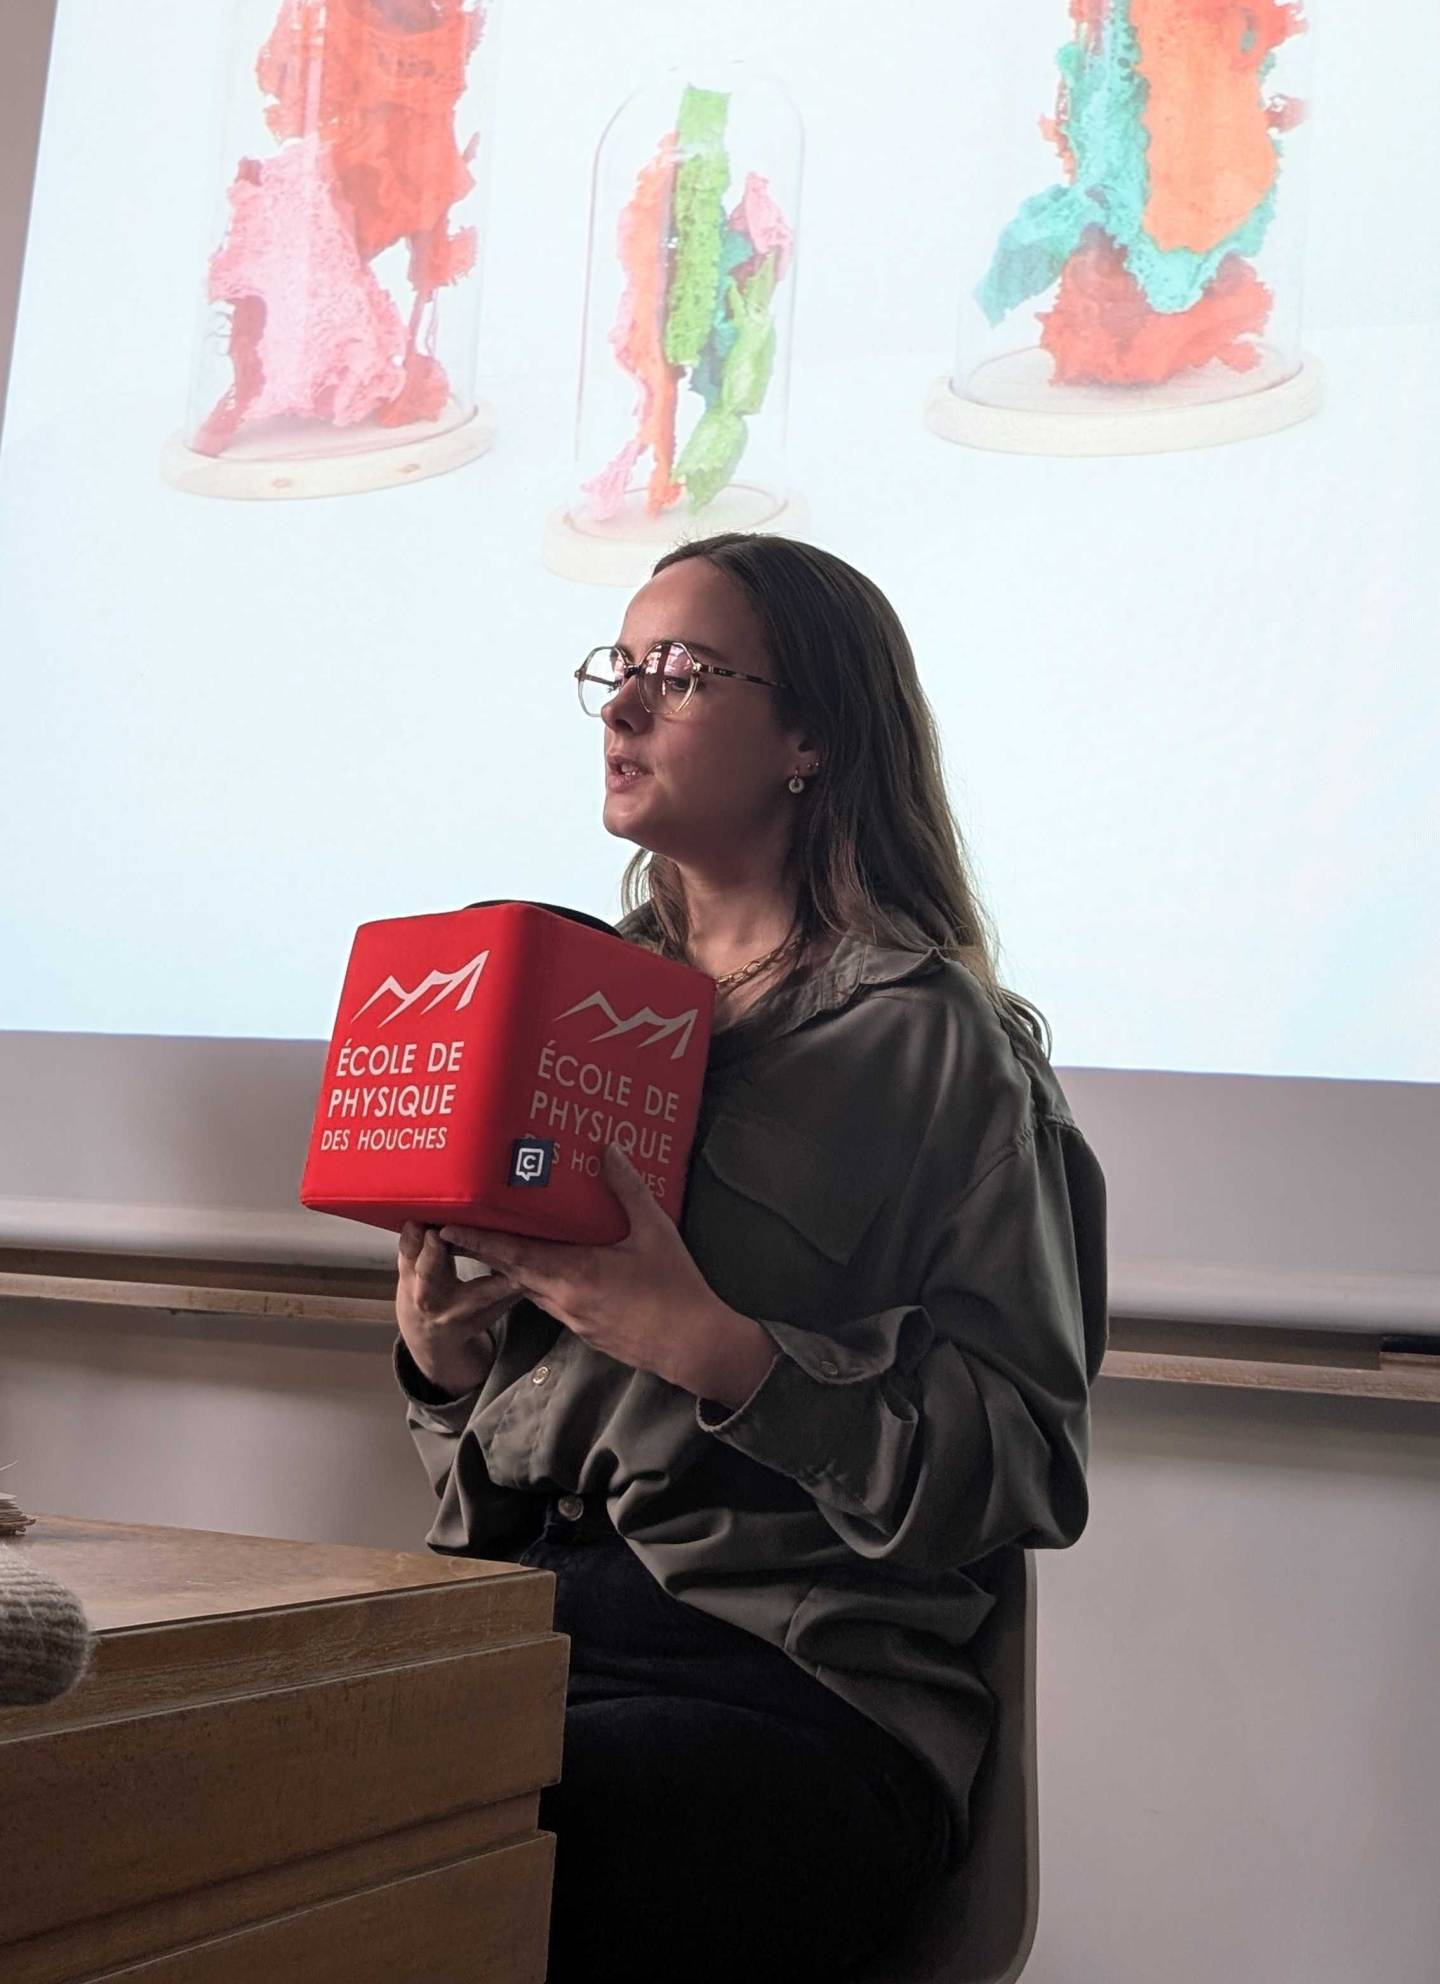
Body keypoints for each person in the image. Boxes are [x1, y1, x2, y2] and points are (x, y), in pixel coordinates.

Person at [393, 532, 1108, 1984]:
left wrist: (714, 1346)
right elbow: (499, 1460)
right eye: (619, 666)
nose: (623, 707)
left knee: (449, 1849)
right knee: (213, 1787)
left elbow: (1025, 1462)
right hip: (527, 1624)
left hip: (785, 1681)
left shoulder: (931, 1047)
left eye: (684, 673)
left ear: (811, 740)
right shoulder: (567, 1014)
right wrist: (445, 1360)